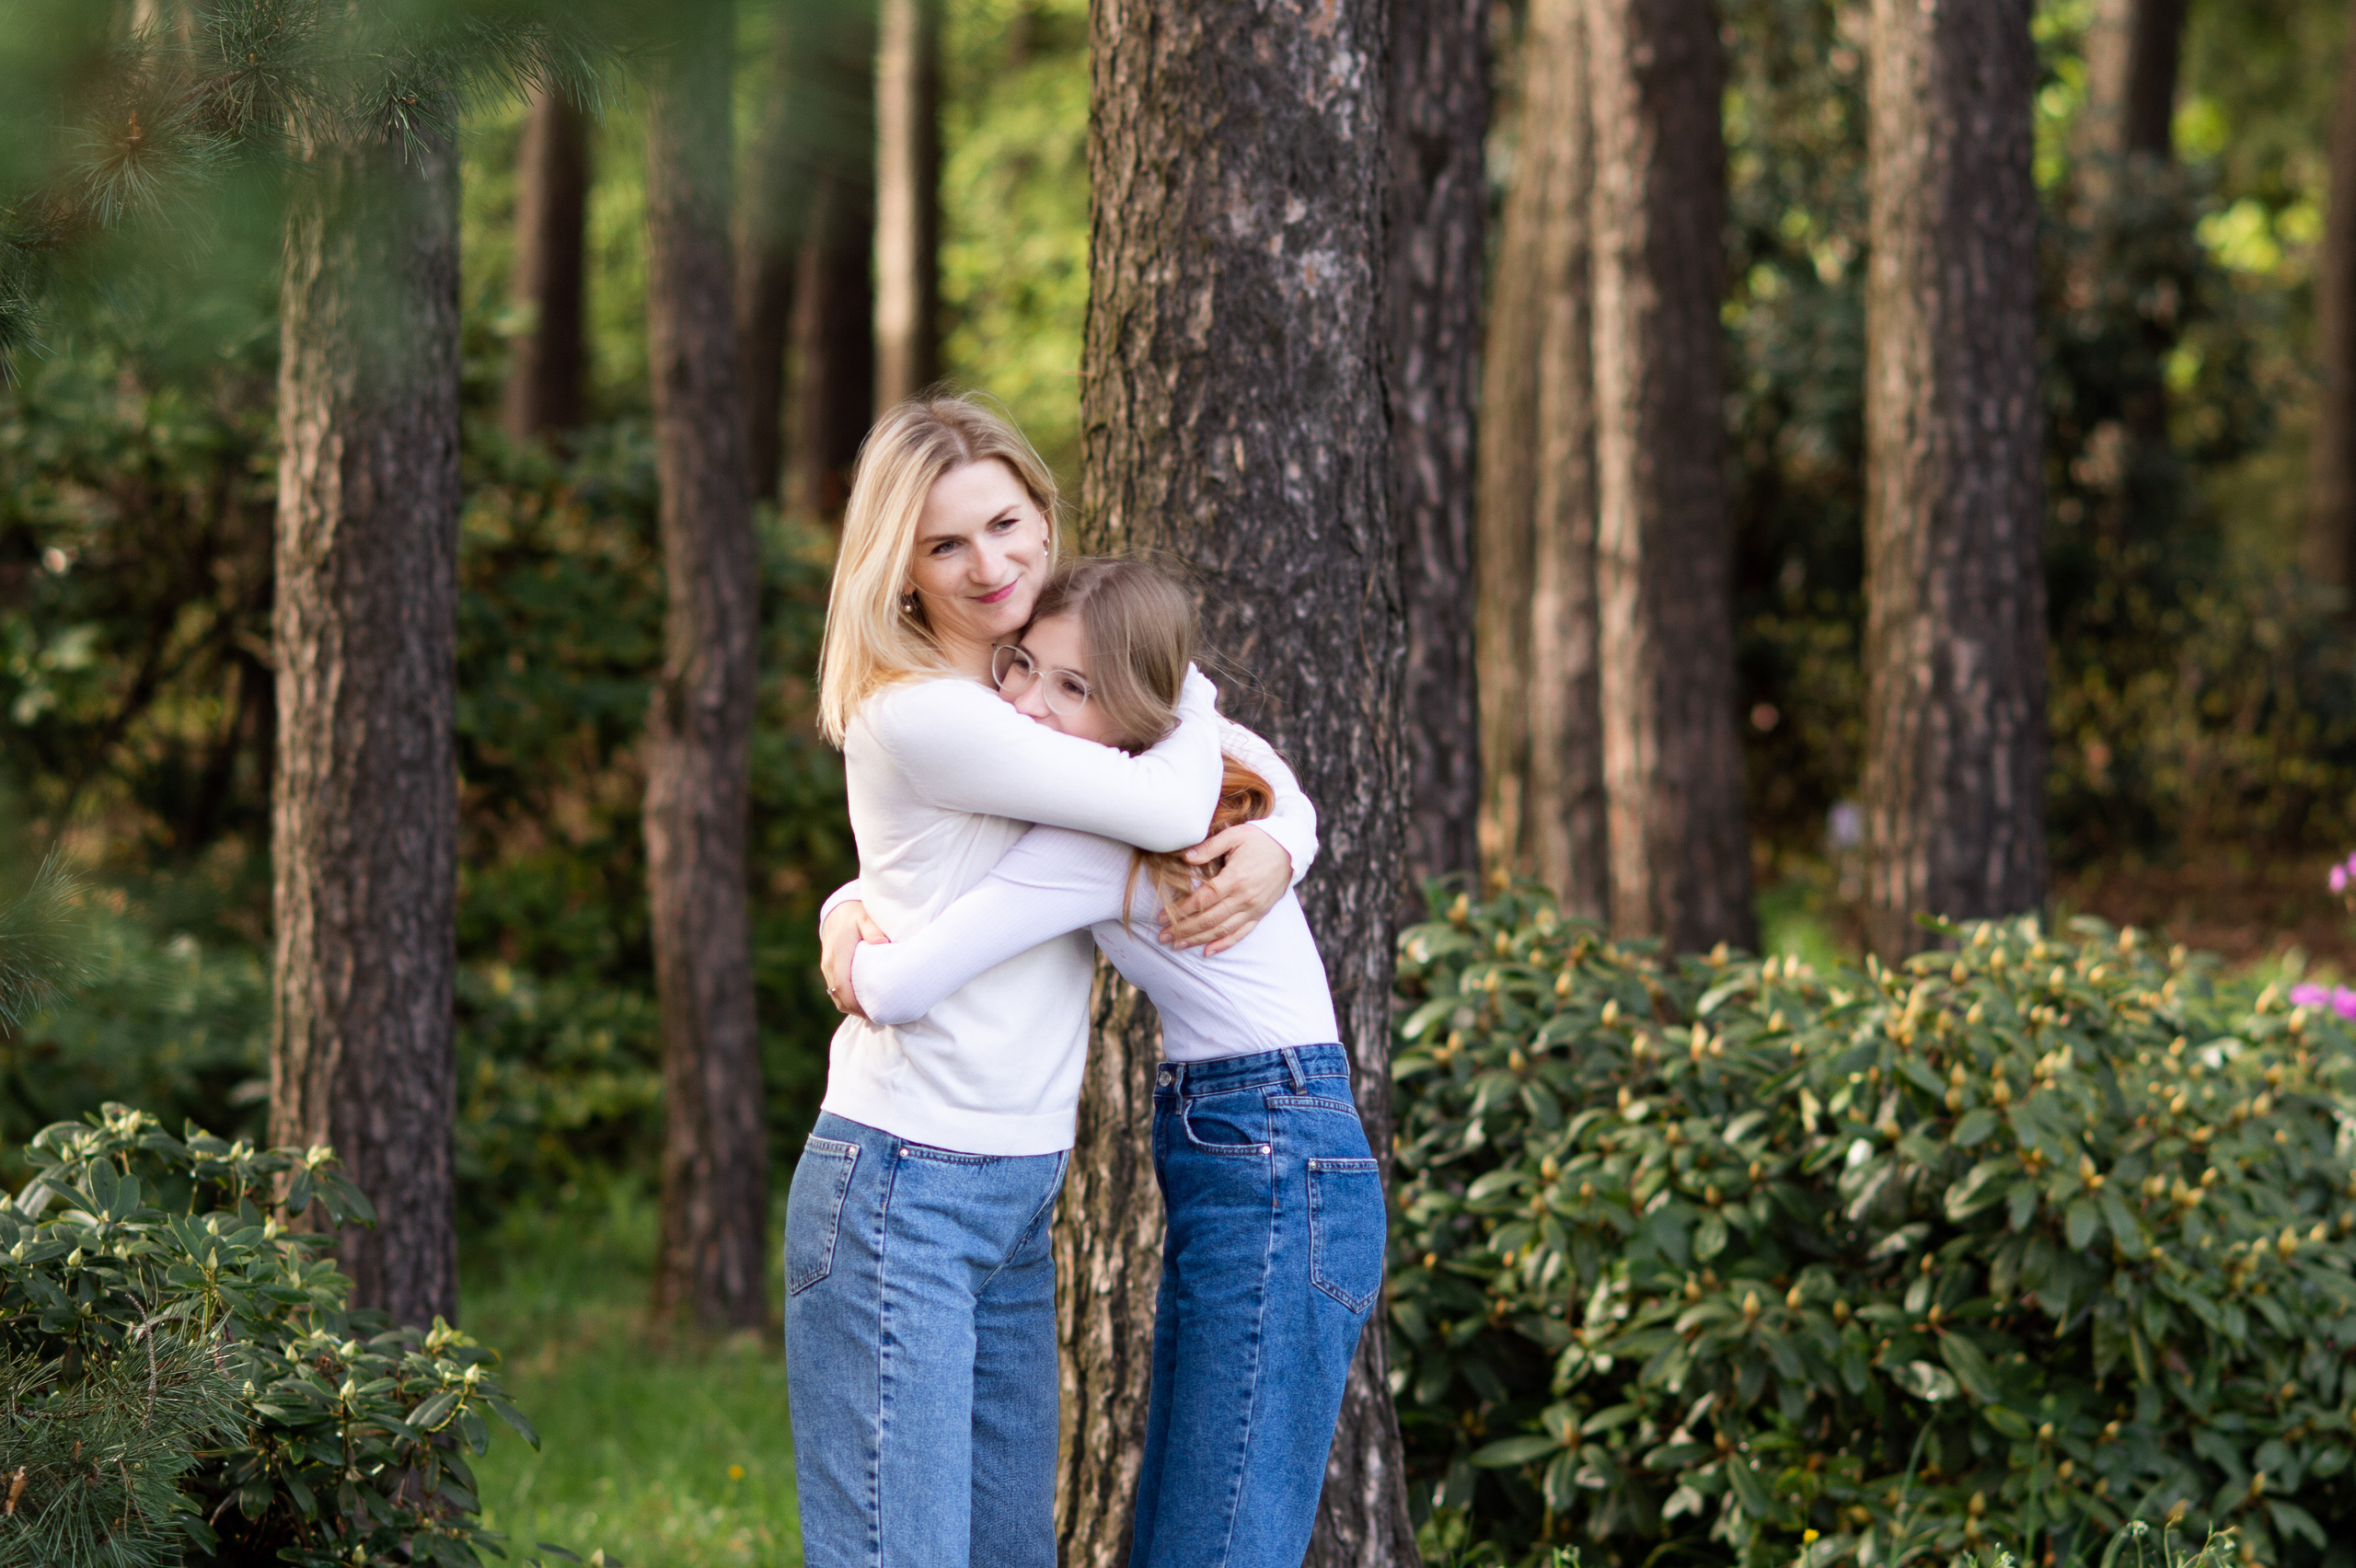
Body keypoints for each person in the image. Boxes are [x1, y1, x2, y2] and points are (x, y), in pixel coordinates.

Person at [790, 395, 1317, 1568]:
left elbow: (1230, 760)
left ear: (1044, 514)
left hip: (1015, 1191)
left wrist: (1288, 837)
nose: (992, 565)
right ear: (901, 569)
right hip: (903, 1183)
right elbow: (1183, 794)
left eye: (1009, 523)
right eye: (945, 544)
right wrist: (1208, 741)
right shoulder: (928, 711)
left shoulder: (1047, 688)